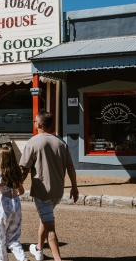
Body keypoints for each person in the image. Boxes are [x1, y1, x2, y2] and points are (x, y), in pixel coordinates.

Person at [19, 112, 78, 261]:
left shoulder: (33, 142)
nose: (34, 123)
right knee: (45, 220)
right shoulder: (61, 143)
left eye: (34, 121)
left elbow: (24, 169)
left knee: (50, 227)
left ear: (39, 124)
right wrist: (74, 187)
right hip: (57, 192)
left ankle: (57, 258)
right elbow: (70, 167)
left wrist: (17, 185)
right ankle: (39, 249)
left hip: (42, 192)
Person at [0, 147, 27, 261]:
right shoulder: (16, 174)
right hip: (16, 203)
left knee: (0, 237)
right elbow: (22, 191)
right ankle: (22, 258)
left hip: (4, 205)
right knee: (13, 238)